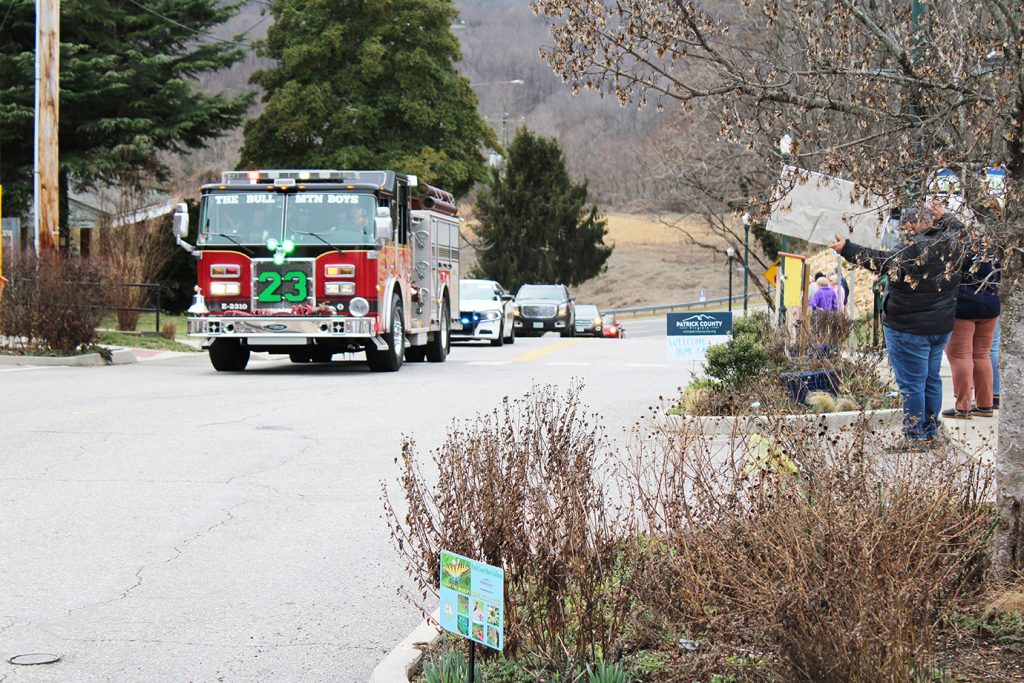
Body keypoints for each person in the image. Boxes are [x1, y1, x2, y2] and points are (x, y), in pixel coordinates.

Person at [829, 205, 964, 447]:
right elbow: (964, 232)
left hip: (908, 328)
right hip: (940, 326)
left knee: (912, 384)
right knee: (930, 380)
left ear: (911, 225)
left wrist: (847, 249)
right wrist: (948, 218)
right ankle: (931, 432)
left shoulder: (914, 249)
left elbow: (882, 262)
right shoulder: (952, 243)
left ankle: (914, 438)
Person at [942, 242, 999, 419]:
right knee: (982, 354)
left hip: (964, 307)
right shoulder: (994, 249)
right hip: (991, 306)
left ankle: (963, 406)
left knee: (960, 356)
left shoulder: (958, 249)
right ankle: (985, 404)